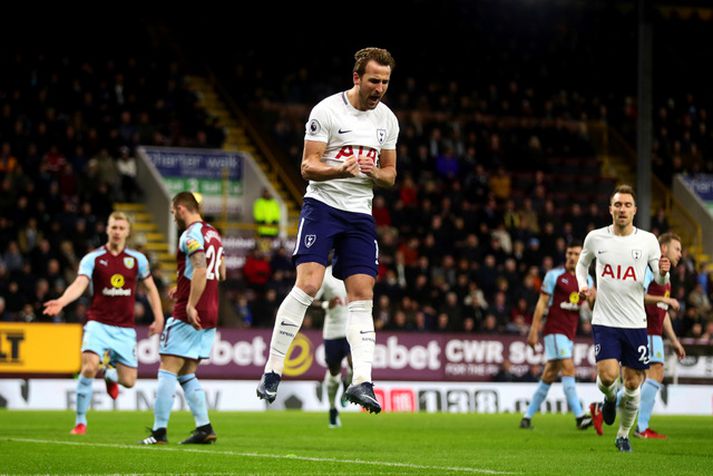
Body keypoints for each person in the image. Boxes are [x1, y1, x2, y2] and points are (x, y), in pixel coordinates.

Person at [256, 47, 399, 414]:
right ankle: (273, 370)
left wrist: (371, 172)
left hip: (359, 215)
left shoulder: (388, 121)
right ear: (357, 78)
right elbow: (308, 166)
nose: (379, 88)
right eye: (373, 80)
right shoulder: (327, 111)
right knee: (307, 283)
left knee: (363, 294)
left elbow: (390, 174)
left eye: (384, 81)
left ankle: (362, 382)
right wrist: (342, 169)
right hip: (322, 207)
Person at [43, 212, 164, 435]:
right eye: (113, 227)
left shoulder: (138, 260)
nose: (117, 231)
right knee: (88, 367)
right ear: (107, 229)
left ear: (128, 232)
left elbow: (151, 289)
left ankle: (110, 375)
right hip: (97, 323)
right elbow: (80, 284)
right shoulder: (93, 258)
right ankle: (80, 421)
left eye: (121, 228)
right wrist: (61, 301)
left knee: (128, 382)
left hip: (125, 329)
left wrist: (159, 316)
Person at [577, 185, 670, 453]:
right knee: (607, 378)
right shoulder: (596, 238)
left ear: (634, 210)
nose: (622, 209)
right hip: (604, 319)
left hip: (635, 322)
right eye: (618, 205)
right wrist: (584, 284)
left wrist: (664, 272)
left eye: (627, 205)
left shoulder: (648, 240)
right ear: (611, 209)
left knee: (632, 383)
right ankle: (608, 397)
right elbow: (582, 264)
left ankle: (622, 434)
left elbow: (660, 280)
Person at [141, 192, 225, 445]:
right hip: (211, 309)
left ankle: (159, 432)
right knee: (187, 371)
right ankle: (204, 427)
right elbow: (220, 272)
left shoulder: (190, 235)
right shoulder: (213, 233)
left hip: (190, 311)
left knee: (167, 366)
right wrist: (184, 285)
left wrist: (189, 302)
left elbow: (200, 268)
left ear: (180, 209)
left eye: (172, 212)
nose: (173, 217)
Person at [520, 242, 595, 431]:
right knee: (569, 368)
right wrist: (533, 330)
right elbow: (541, 304)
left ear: (582, 256)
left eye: (576, 254)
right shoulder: (554, 276)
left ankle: (527, 418)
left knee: (550, 374)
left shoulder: (587, 280)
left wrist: (592, 297)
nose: (572, 257)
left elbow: (593, 306)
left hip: (569, 333)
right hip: (554, 330)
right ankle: (579, 416)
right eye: (569, 253)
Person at [631, 232, 686, 439]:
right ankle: (641, 427)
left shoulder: (667, 278)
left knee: (636, 380)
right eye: (677, 249)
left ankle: (601, 408)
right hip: (644, 330)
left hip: (654, 333)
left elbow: (662, 314)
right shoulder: (648, 269)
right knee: (656, 373)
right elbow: (639, 296)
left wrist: (675, 341)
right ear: (663, 249)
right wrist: (668, 302)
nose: (680, 254)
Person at [315, 265, 352, 428]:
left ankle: (348, 387)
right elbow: (311, 300)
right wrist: (325, 305)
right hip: (332, 332)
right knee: (334, 373)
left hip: (352, 329)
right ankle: (332, 408)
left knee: (355, 364)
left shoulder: (355, 270)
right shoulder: (325, 275)